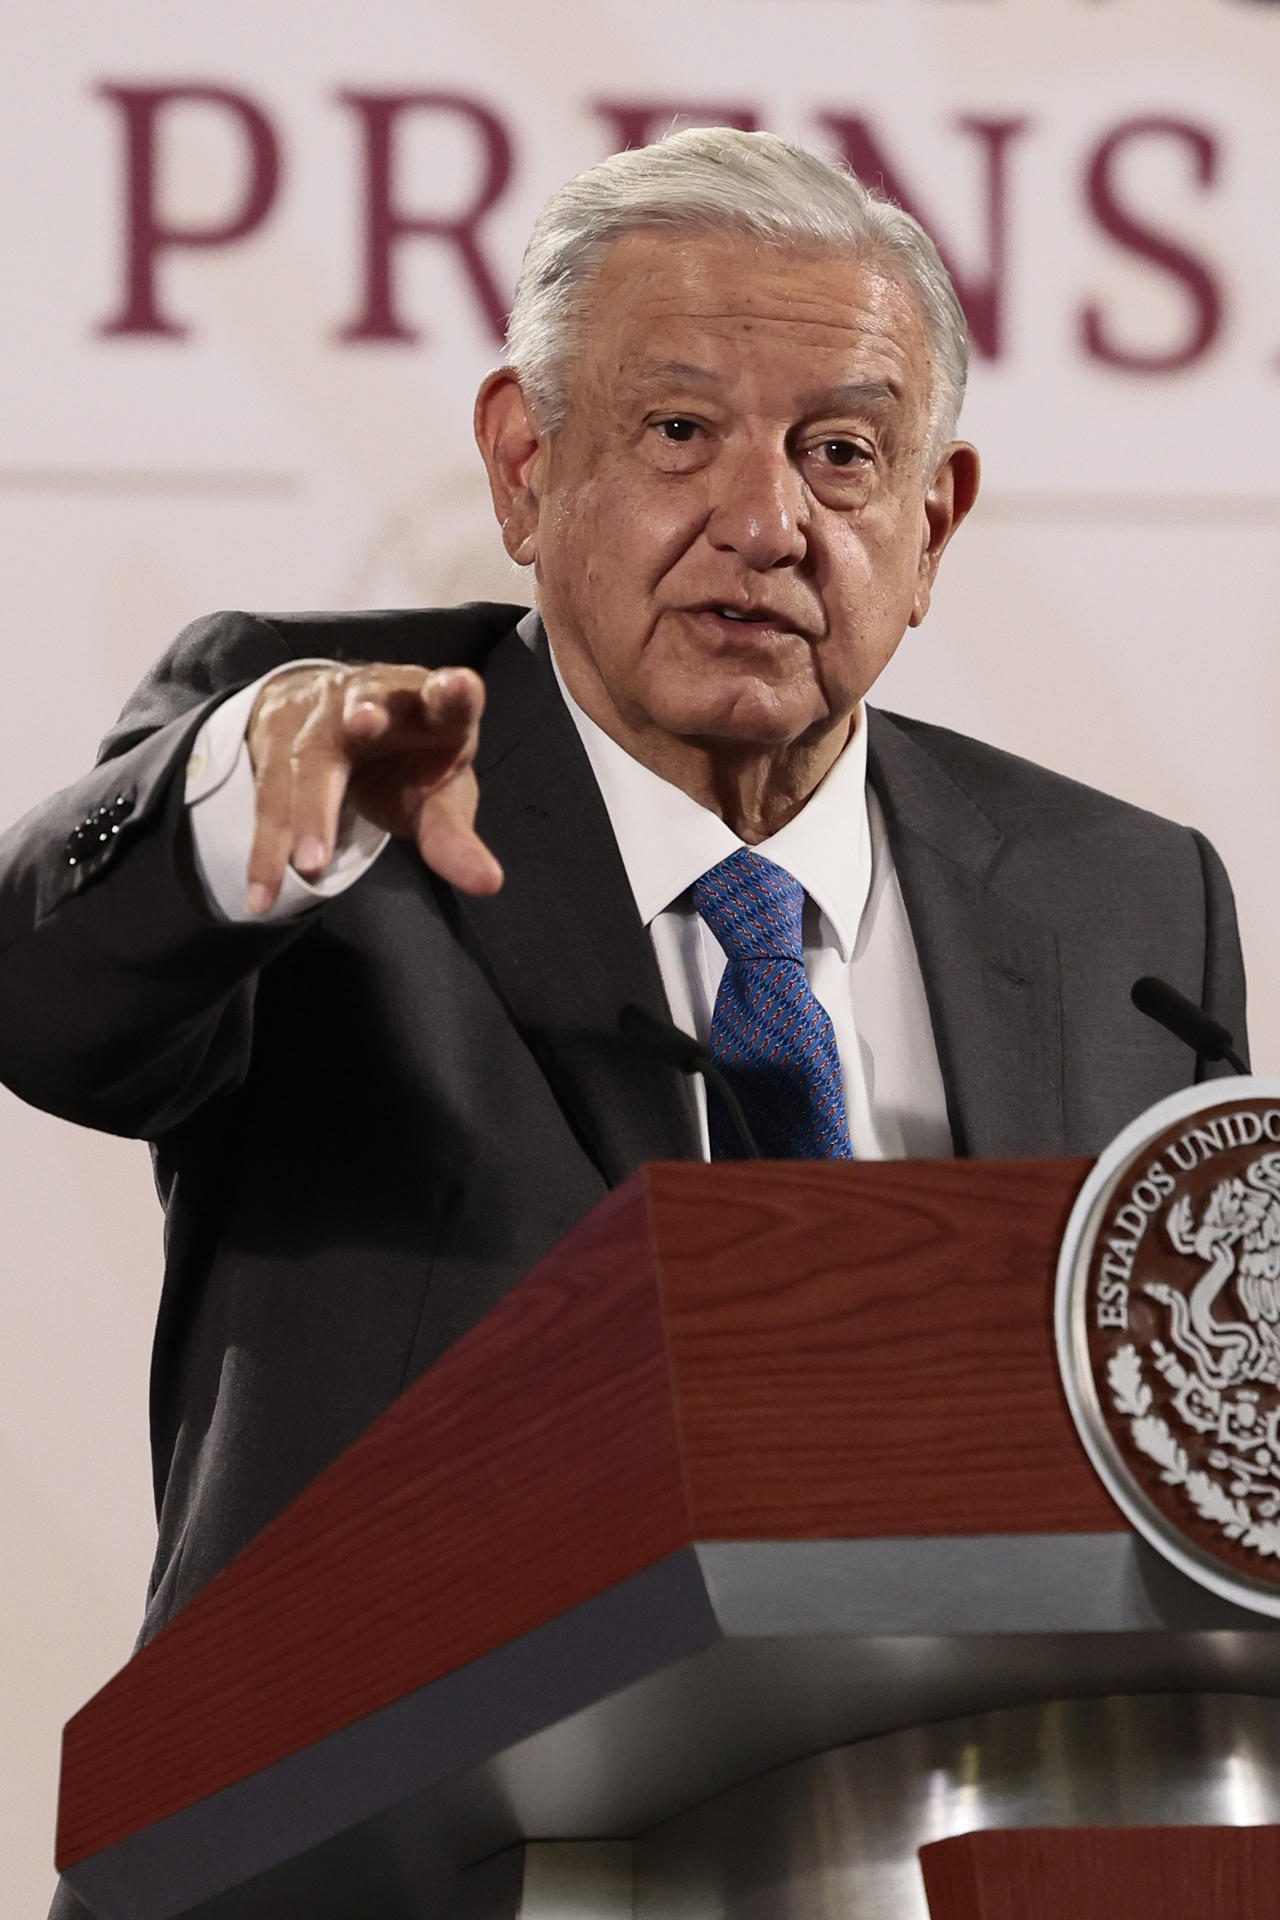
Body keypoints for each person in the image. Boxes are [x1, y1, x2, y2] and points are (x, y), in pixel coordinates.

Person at [1, 128, 1246, 1670]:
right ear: (527, 467)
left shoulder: (1123, 903)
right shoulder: (319, 769)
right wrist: (235, 796)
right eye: (677, 429)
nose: (766, 520)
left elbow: (1195, 1444)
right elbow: (47, 1006)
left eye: (842, 453)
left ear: (931, 526)